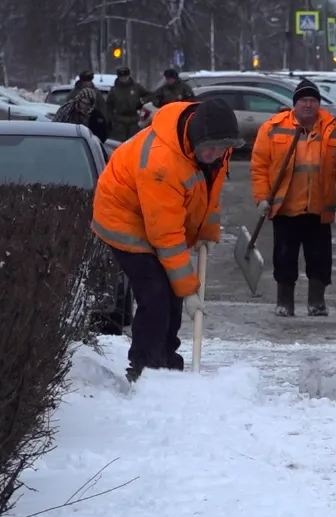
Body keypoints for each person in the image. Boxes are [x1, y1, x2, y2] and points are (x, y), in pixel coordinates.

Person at [90, 97, 243, 383]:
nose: (215, 154)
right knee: (156, 292)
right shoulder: (162, 163)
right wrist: (189, 290)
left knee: (170, 291)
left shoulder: (216, 149)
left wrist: (207, 232)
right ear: (195, 139)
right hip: (124, 217)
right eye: (209, 148)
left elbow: (208, 196)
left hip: (157, 216)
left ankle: (167, 360)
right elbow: (167, 235)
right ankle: (146, 366)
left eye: (222, 148)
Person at [251, 79, 336, 317]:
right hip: (286, 209)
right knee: (284, 258)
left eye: (313, 100)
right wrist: (261, 198)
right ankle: (284, 303)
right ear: (295, 104)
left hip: (318, 209)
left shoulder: (331, 129)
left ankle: (316, 302)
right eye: (303, 100)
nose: (308, 105)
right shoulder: (273, 127)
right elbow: (259, 166)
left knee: (320, 259)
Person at [106, 66, 151, 141]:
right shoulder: (114, 90)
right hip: (119, 121)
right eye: (121, 77)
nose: (124, 79)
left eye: (125, 76)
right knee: (119, 143)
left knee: (135, 141)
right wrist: (111, 118)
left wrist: (142, 102)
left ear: (129, 76)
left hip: (134, 120)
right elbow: (108, 106)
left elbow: (149, 95)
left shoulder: (136, 87)